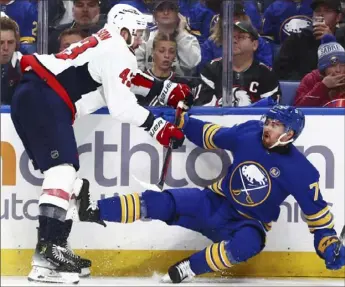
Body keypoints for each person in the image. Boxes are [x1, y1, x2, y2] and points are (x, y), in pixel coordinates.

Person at [11, 3, 192, 284]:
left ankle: (51, 251)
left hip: (33, 95)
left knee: (67, 179)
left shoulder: (108, 42)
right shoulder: (118, 51)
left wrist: (162, 89)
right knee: (63, 172)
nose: (142, 39)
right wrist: (158, 127)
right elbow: (121, 106)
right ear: (123, 29)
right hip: (45, 98)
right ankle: (47, 253)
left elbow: (126, 79)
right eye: (138, 32)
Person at [76, 105, 345, 283]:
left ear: (290, 134)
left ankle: (187, 270)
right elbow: (211, 136)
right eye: (269, 121)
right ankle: (94, 211)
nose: (268, 127)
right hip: (213, 203)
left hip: (246, 224)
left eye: (276, 125)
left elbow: (318, 219)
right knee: (159, 202)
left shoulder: (302, 172)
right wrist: (184, 121)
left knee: (249, 245)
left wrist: (328, 245)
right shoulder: (250, 132)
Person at [195, 21, 280, 106]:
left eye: (241, 37)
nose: (234, 41)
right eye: (230, 37)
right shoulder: (211, 70)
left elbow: (270, 111)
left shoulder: (266, 74)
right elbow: (203, 109)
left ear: (254, 44)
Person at [294, 35, 345, 106]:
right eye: (333, 65)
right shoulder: (311, 79)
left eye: (342, 65)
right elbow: (298, 109)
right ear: (324, 68)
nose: (338, 70)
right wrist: (323, 87)